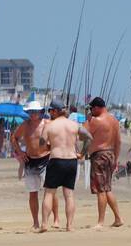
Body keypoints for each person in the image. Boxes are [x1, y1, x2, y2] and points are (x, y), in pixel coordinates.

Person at [37, 104, 89, 232]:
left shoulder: (49, 126)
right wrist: (82, 153)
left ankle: (44, 224)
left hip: (56, 159)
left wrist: (50, 147)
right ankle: (69, 225)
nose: (49, 113)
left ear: (55, 111)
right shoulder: (74, 125)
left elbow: (41, 144)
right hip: (71, 161)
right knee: (69, 195)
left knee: (49, 193)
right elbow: (89, 137)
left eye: (50, 111)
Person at [85, 98, 124, 229]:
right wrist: (116, 159)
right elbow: (118, 142)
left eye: (91, 109)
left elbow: (82, 134)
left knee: (100, 190)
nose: (91, 111)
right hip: (110, 154)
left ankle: (100, 222)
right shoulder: (114, 121)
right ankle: (118, 218)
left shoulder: (96, 121)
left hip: (99, 156)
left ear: (97, 107)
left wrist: (88, 119)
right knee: (107, 188)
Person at [11, 101, 50, 231]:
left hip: (46, 159)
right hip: (30, 161)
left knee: (49, 192)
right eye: (31, 112)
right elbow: (14, 137)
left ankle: (53, 220)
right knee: (32, 193)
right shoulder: (25, 125)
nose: (33, 114)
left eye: (35, 112)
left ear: (40, 112)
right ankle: (35, 222)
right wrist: (20, 152)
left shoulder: (47, 124)